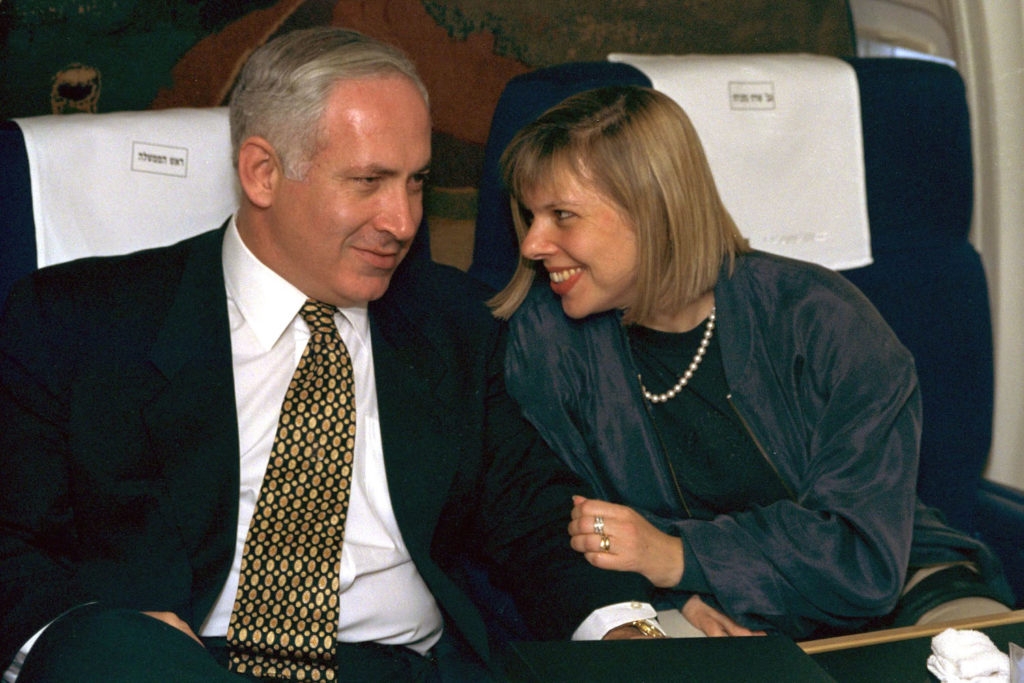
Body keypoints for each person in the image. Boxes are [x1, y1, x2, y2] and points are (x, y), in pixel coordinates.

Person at [0, 29, 663, 683]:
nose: (403, 221)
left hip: (402, 666)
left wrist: (629, 629)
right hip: (182, 663)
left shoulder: (453, 323)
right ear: (263, 172)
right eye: (369, 181)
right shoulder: (78, 322)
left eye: (415, 183)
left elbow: (534, 516)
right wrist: (95, 634)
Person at [489, 85, 1015, 640]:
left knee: (988, 666)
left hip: (900, 577)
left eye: (562, 215)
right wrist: (677, 587)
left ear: (653, 209)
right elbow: (562, 528)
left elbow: (864, 554)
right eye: (530, 216)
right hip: (695, 599)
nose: (532, 244)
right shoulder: (546, 343)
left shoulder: (823, 320)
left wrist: (680, 555)